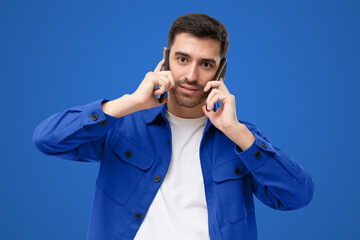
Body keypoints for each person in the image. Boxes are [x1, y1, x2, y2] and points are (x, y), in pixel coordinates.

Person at [33, 13, 314, 240]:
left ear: (221, 70)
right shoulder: (122, 126)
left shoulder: (239, 138)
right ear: (166, 57)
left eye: (205, 64)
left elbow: (296, 196)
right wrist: (131, 102)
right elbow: (47, 140)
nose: (191, 76)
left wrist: (236, 131)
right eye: (182, 59)